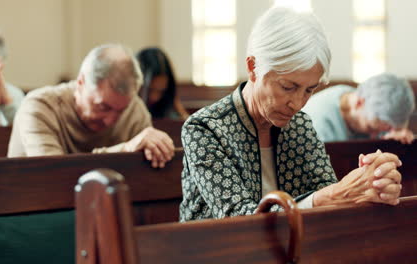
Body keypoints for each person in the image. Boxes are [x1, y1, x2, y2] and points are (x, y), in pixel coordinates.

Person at [179, 7, 402, 222]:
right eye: (287, 87)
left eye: (309, 90)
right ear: (253, 67)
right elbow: (238, 219)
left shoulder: (300, 124)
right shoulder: (205, 129)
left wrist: (371, 189)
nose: (297, 104)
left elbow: (326, 196)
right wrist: (335, 195)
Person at [8, 44, 174, 168]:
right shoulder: (39, 107)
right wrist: (125, 149)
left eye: (120, 111)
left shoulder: (134, 109)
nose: (111, 121)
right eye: (103, 107)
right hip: (32, 209)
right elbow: (54, 176)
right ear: (81, 82)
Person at [302, 73, 415, 144]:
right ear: (359, 103)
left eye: (383, 131)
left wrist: (392, 142)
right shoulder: (316, 124)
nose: (373, 137)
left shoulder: (367, 106)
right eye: (371, 129)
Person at [136, 47, 189, 120]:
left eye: (161, 91)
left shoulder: (168, 102)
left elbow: (185, 122)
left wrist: (180, 110)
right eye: (150, 90)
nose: (154, 97)